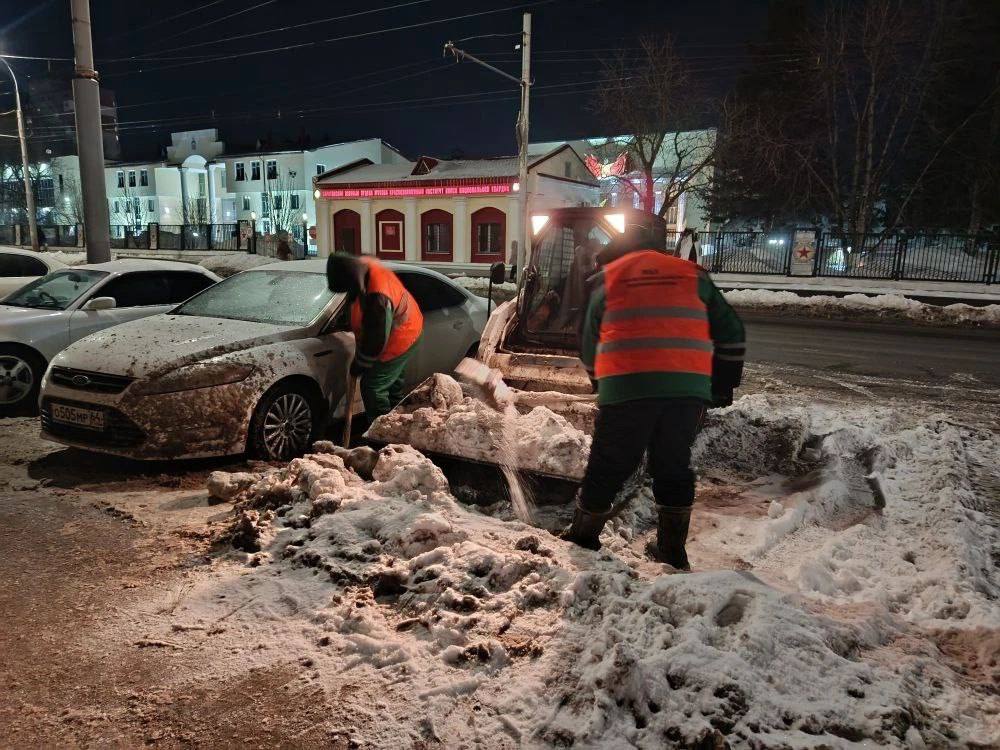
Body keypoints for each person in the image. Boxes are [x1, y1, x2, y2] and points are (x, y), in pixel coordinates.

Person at [563, 229, 745, 570]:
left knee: (608, 463)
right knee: (673, 463)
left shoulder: (606, 279)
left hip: (628, 386)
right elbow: (732, 333)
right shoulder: (693, 275)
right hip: (686, 392)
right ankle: (672, 551)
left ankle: (583, 537)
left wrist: (598, 379)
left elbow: (587, 342)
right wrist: (722, 386)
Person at [326, 253, 423, 421]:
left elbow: (376, 338)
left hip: (401, 335)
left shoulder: (378, 296)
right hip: (401, 325)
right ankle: (399, 419)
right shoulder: (362, 268)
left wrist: (361, 363)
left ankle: (382, 428)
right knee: (392, 384)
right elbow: (356, 303)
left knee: (373, 386)